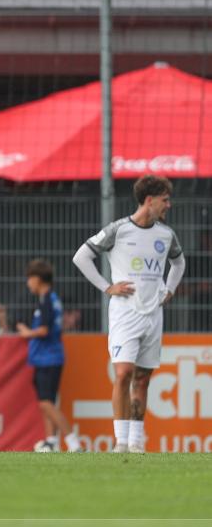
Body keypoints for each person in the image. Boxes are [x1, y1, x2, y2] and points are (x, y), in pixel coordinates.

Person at [73, 175, 186, 454]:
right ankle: (120, 443)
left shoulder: (165, 234)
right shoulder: (118, 230)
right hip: (125, 313)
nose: (168, 205)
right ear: (150, 200)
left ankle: (136, 443)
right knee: (123, 373)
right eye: (165, 200)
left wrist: (169, 289)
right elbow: (81, 257)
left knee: (143, 378)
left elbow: (179, 262)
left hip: (153, 315)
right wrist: (107, 286)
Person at [16, 259, 82, 453]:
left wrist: (27, 332)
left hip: (47, 358)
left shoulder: (46, 300)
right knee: (48, 402)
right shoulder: (52, 299)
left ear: (38, 279)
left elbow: (44, 330)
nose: (28, 283)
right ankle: (51, 441)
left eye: (30, 279)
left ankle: (73, 442)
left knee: (45, 402)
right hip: (51, 357)